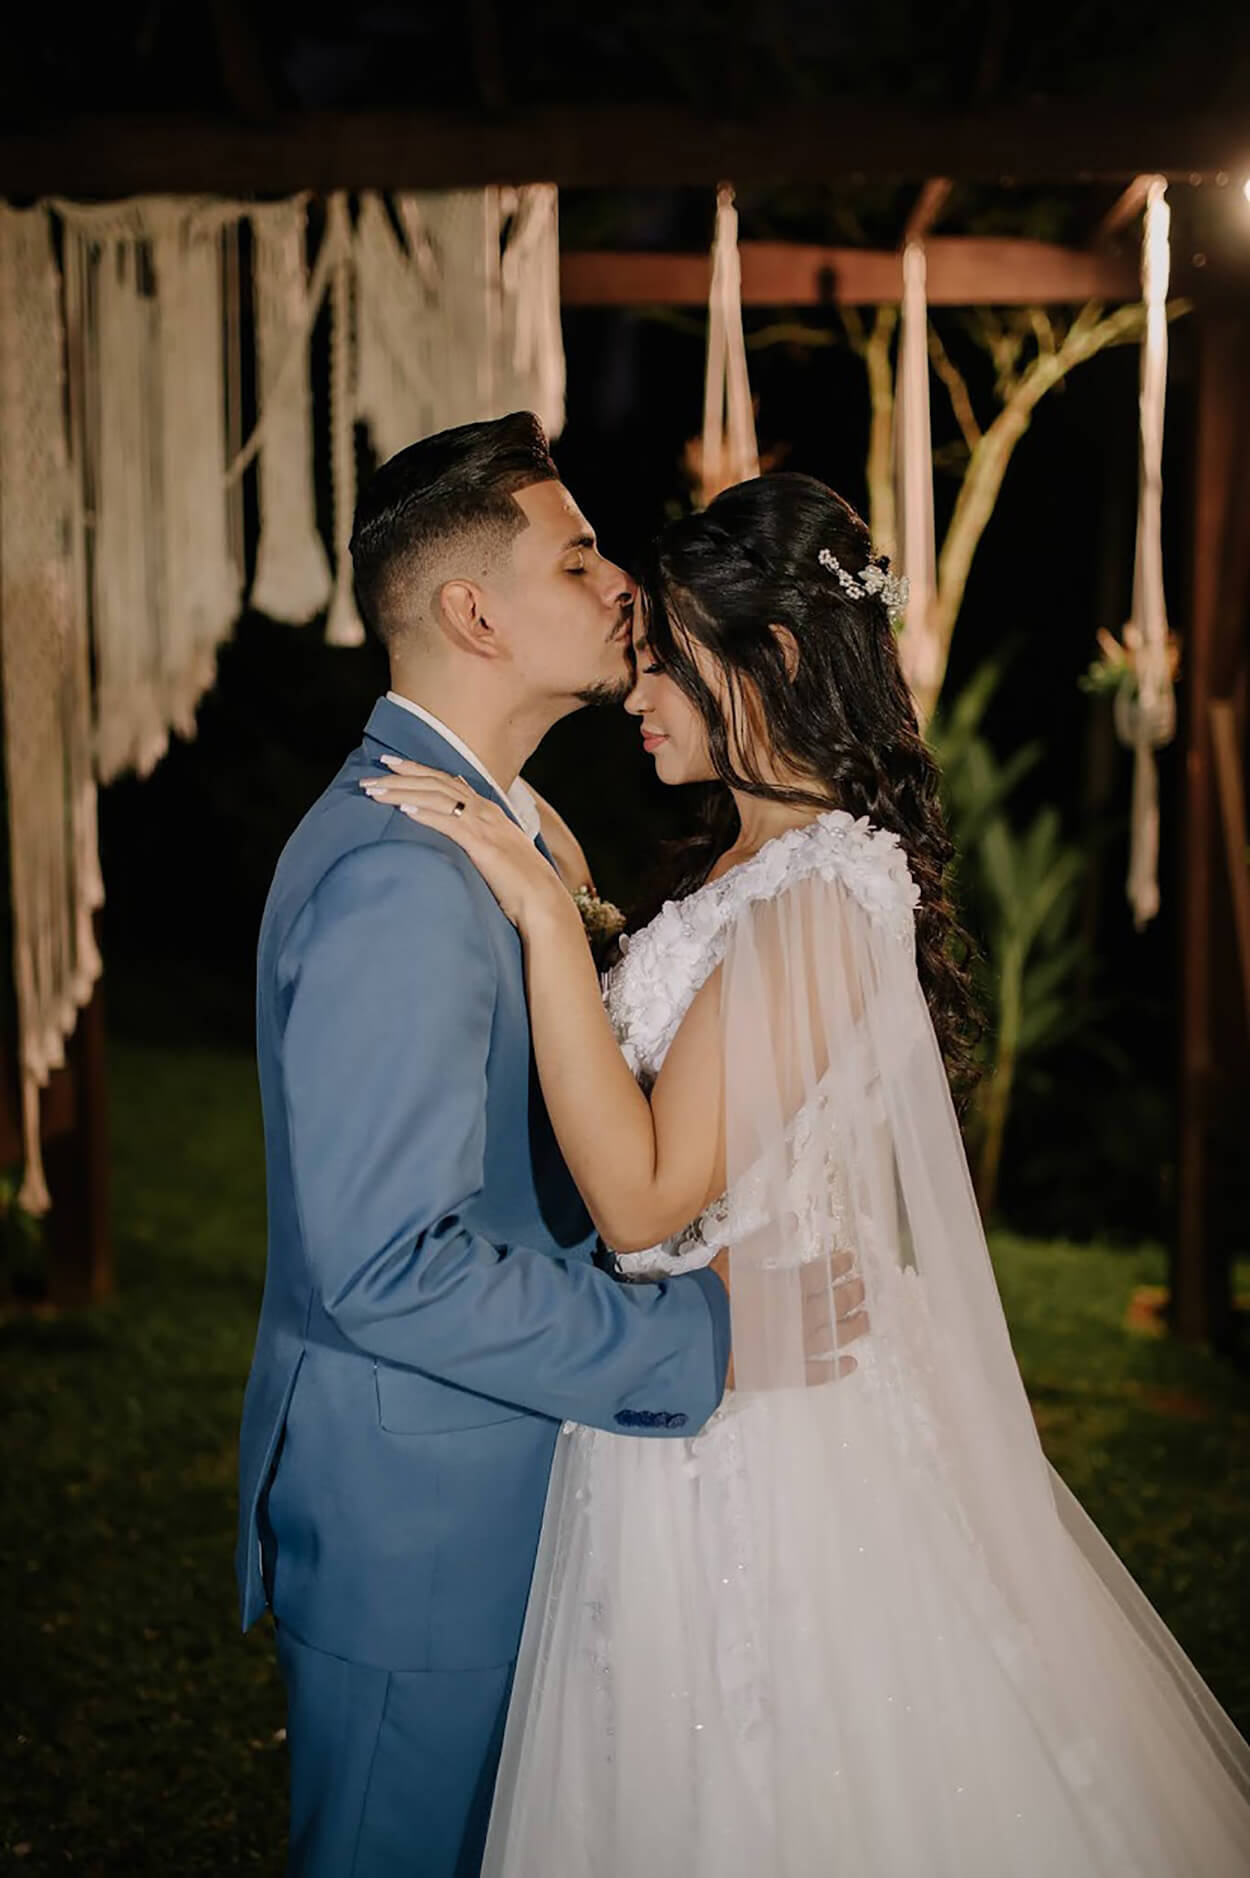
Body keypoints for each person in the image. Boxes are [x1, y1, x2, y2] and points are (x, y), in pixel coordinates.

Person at [366, 471, 1250, 1876]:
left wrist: (540, 919)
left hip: (764, 1431)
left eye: (667, 656)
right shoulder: (751, 868)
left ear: (768, 658)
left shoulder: (822, 895)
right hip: (694, 1379)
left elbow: (645, 1198)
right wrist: (579, 902)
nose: (637, 685)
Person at [236, 416, 858, 1878]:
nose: (620, 583)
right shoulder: (402, 872)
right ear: (474, 613)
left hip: (520, 1479)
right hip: (424, 1532)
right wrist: (704, 1334)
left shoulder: (514, 833)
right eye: (577, 559)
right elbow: (388, 1267)